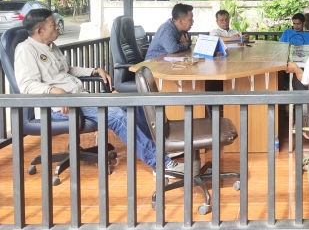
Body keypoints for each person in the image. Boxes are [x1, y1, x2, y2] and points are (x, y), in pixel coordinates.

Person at [14, 9, 184, 177]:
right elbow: (26, 85)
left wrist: (94, 70)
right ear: (40, 31)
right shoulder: (26, 50)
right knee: (117, 116)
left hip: (80, 98)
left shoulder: (50, 46)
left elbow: (67, 70)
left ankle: (160, 147)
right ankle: (161, 164)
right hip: (58, 108)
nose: (58, 27)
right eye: (53, 24)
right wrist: (54, 91)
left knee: (135, 103)